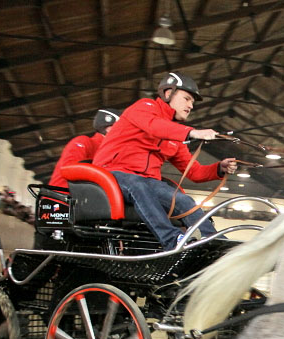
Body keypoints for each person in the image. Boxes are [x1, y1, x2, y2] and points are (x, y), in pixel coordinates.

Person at [93, 71, 238, 249]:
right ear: (168, 93)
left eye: (192, 102)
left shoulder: (174, 135)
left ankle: (213, 241)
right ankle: (172, 241)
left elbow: (194, 172)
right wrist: (193, 132)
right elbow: (154, 126)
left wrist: (219, 168)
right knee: (138, 185)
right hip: (112, 173)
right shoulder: (144, 107)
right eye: (186, 98)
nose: (191, 105)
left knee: (184, 201)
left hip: (146, 181)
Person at [48, 108, 122, 188]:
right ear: (108, 128)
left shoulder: (112, 152)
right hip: (62, 196)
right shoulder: (84, 141)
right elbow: (69, 170)